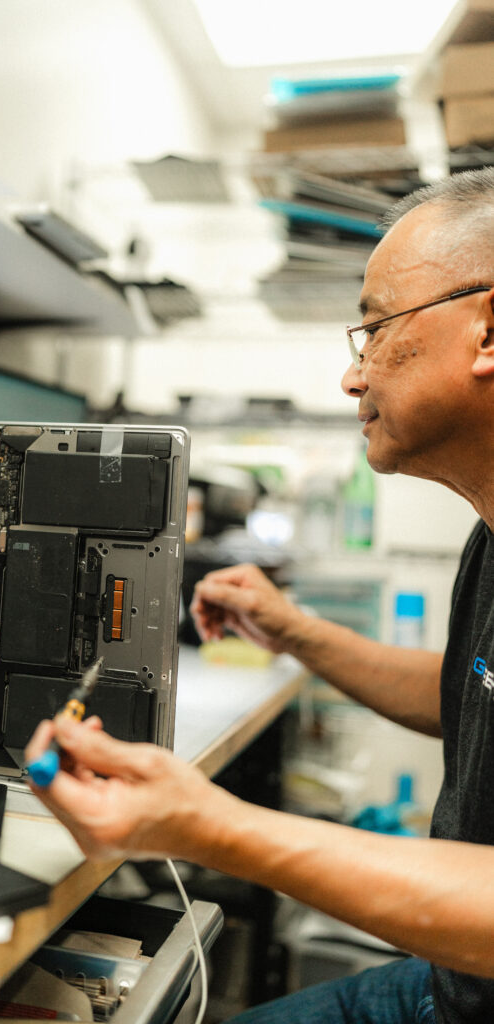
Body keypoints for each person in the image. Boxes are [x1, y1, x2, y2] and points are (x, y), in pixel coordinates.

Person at [25, 166, 494, 1024]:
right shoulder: (488, 530)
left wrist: (208, 826)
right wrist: (296, 632)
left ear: (488, 328)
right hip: (450, 983)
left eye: (375, 331)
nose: (352, 380)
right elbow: (467, 694)